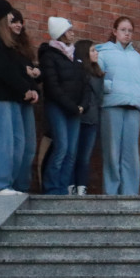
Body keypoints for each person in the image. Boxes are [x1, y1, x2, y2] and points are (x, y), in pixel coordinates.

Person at [0, 0, 39, 195]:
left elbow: (11, 68)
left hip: (8, 96)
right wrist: (24, 89)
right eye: (8, 17)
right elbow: (2, 68)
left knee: (16, 143)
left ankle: (9, 186)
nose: (10, 21)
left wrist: (26, 88)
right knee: (0, 142)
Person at [96, 16, 140, 195]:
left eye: (130, 31)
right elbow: (96, 77)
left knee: (130, 154)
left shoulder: (138, 57)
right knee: (112, 152)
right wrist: (110, 88)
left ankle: (130, 193)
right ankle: (111, 193)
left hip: (134, 107)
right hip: (112, 106)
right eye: (123, 30)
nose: (127, 34)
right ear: (114, 31)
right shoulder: (104, 52)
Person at [39, 16, 88, 195]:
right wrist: (73, 107)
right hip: (58, 108)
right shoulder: (49, 55)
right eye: (69, 30)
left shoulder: (76, 56)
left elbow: (85, 83)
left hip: (75, 109)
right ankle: (52, 188)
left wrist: (82, 105)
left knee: (71, 152)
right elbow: (52, 87)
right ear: (60, 34)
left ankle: (63, 188)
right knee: (62, 148)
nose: (72, 32)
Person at [7, 9, 40, 193]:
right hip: (13, 99)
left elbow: (30, 76)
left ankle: (22, 187)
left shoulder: (24, 48)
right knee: (15, 145)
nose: (18, 25)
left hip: (28, 100)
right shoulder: (3, 45)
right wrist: (25, 72)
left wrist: (35, 79)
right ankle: (9, 186)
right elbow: (8, 72)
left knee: (29, 147)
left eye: (20, 21)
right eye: (14, 22)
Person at [73, 39, 103, 195]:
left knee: (85, 156)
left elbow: (99, 97)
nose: (96, 53)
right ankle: (71, 185)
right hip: (78, 117)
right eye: (92, 50)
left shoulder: (98, 74)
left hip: (92, 120)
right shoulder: (78, 71)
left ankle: (81, 187)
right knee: (73, 153)